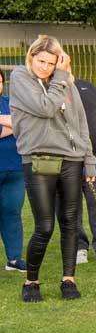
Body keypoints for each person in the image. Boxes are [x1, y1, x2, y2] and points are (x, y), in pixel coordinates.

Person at [9, 35, 96, 302]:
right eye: (41, 61)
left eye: (51, 63)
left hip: (71, 158)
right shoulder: (20, 77)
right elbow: (45, 108)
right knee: (44, 226)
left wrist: (89, 160)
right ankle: (31, 282)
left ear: (59, 61)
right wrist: (60, 77)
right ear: (31, 57)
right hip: (38, 158)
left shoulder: (65, 82)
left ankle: (68, 280)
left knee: (70, 222)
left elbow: (81, 123)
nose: (45, 67)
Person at [55, 68, 96, 265]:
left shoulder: (86, 87)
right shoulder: (47, 91)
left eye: (65, 63)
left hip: (95, 154)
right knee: (68, 205)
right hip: (64, 158)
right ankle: (77, 248)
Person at [0, 69, 26, 272]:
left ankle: (14, 259)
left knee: (12, 212)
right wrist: (11, 123)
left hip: (16, 169)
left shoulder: (12, 102)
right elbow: (16, 125)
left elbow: (25, 124)